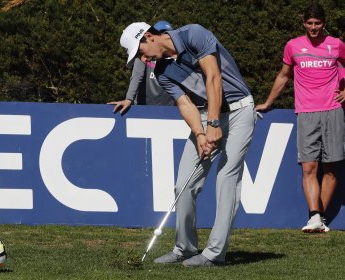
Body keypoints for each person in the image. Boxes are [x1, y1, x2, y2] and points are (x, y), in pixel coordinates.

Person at [120, 22, 256, 267]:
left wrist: (214, 123)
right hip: (205, 116)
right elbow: (185, 104)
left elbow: (213, 77)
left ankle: (214, 254)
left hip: (239, 111)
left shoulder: (193, 34)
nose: (142, 58)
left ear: (149, 36)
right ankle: (185, 248)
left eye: (140, 51)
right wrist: (201, 134)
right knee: (184, 183)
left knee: (227, 179)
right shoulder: (161, 71)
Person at [256, 3, 345, 233]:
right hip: (306, 112)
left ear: (323, 23)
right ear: (303, 23)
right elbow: (284, 76)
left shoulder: (336, 45)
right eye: (309, 23)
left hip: (334, 110)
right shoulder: (293, 46)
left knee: (333, 167)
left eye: (317, 23)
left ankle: (318, 218)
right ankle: (315, 217)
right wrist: (267, 103)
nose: (313, 28)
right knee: (309, 167)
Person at [108, 21, 174, 114]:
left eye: (167, 33)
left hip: (169, 109)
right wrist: (129, 99)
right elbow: (136, 76)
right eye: (161, 33)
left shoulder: (174, 56)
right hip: (144, 108)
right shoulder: (144, 56)